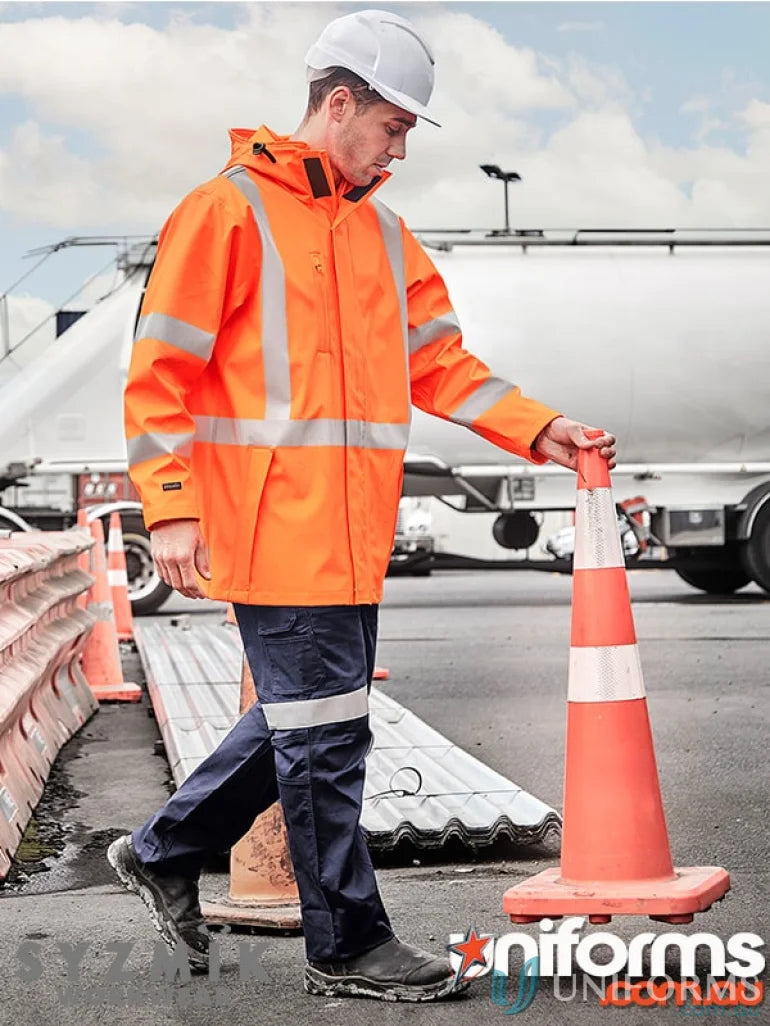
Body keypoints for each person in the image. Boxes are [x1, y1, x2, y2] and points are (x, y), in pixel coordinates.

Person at [109, 8, 616, 1004]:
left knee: (316, 723)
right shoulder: (224, 212)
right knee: (326, 739)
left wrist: (534, 426)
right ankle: (346, 944)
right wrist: (168, 506)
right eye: (390, 128)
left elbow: (440, 364)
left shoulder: (382, 232)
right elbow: (157, 372)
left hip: (348, 534)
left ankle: (163, 850)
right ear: (337, 103)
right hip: (268, 527)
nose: (397, 149)